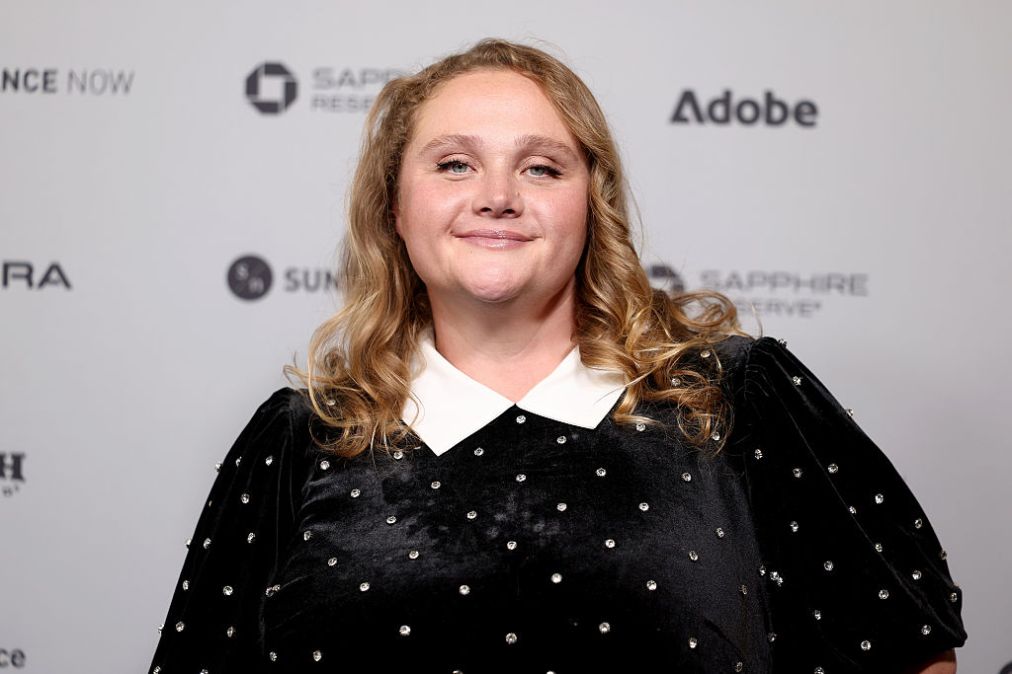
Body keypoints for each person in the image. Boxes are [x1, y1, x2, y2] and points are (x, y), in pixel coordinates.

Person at [149, 39, 965, 673]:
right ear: (393, 207)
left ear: (592, 205)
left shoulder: (733, 396)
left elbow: (901, 652)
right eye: (455, 163)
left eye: (540, 167)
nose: (497, 194)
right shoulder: (303, 437)